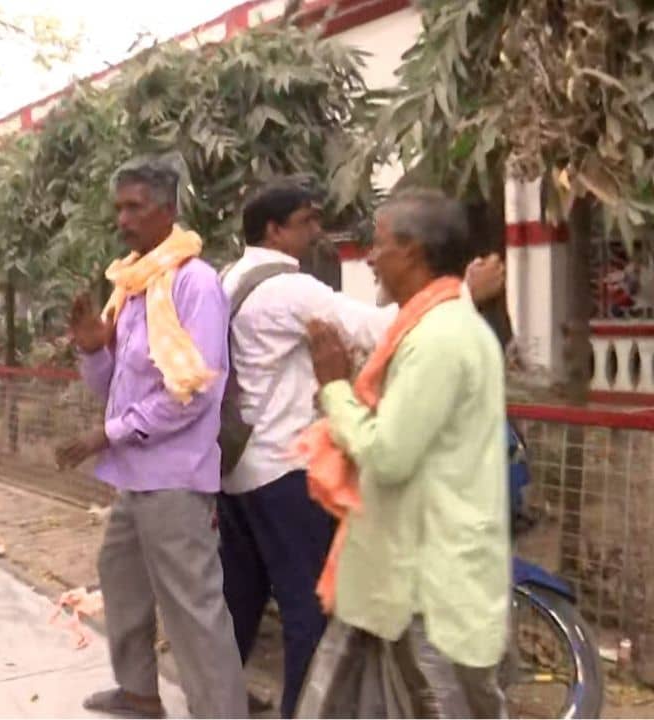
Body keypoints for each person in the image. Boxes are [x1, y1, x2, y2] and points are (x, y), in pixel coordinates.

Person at [216, 182, 506, 718]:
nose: (317, 232)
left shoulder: (229, 278)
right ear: (275, 231)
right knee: (308, 611)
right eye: (305, 221)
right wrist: (465, 291)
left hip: (238, 469)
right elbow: (375, 329)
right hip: (284, 467)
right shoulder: (290, 289)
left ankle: (220, 704)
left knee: (242, 600)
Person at [56, 154, 247, 719]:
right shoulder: (134, 288)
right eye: (119, 208)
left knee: (192, 607)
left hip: (174, 479)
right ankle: (139, 692)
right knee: (122, 584)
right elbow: (114, 384)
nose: (123, 220)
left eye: (134, 207)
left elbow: (195, 390)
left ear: (167, 210)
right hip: (133, 477)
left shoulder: (194, 285)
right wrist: (93, 347)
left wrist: (106, 435)